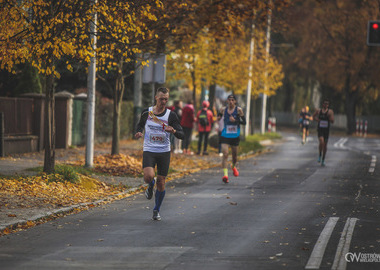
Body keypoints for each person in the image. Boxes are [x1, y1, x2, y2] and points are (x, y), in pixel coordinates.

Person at [135, 87, 184, 220]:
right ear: (156, 98)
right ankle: (150, 185)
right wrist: (139, 131)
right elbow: (140, 125)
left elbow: (182, 134)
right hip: (149, 149)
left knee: (161, 182)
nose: (164, 102)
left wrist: (173, 131)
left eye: (166, 99)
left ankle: (156, 210)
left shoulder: (171, 115)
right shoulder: (147, 112)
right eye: (162, 99)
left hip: (164, 151)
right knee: (148, 176)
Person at [217, 94, 246, 183]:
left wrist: (236, 121)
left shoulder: (239, 110)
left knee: (234, 157)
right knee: (225, 154)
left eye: (232, 100)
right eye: (229, 100)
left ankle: (233, 166)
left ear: (235, 101)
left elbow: (244, 122)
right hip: (225, 135)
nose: (231, 101)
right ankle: (225, 175)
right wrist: (218, 117)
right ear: (227, 101)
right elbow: (219, 117)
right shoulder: (223, 109)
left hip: (235, 136)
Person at [312, 99, 334, 166]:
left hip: (326, 130)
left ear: (328, 105)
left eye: (327, 104)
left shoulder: (330, 112)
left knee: (325, 145)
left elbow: (333, 121)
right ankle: (319, 155)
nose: (326, 105)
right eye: (325, 104)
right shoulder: (319, 111)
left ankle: (323, 159)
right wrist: (317, 120)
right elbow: (313, 117)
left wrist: (330, 119)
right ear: (323, 104)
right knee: (321, 141)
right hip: (320, 129)